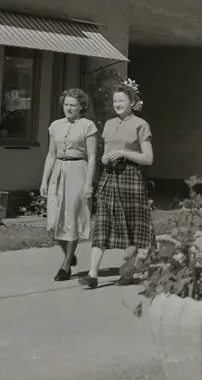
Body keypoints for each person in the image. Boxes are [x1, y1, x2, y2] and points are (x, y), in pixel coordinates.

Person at [82, 80, 156, 290]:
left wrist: (124, 153)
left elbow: (148, 158)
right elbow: (106, 152)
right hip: (109, 177)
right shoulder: (109, 124)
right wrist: (105, 158)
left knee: (132, 227)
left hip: (131, 178)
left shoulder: (141, 125)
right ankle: (92, 274)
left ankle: (128, 272)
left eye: (121, 100)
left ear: (132, 102)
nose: (118, 104)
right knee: (102, 224)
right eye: (115, 101)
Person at [40, 89, 98, 281]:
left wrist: (89, 184)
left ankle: (65, 267)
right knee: (53, 221)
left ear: (82, 106)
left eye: (73, 105)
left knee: (72, 218)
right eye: (66, 104)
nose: (69, 108)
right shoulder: (55, 126)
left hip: (78, 171)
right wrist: (44, 180)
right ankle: (69, 255)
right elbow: (51, 154)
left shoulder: (88, 126)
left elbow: (92, 157)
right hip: (58, 170)